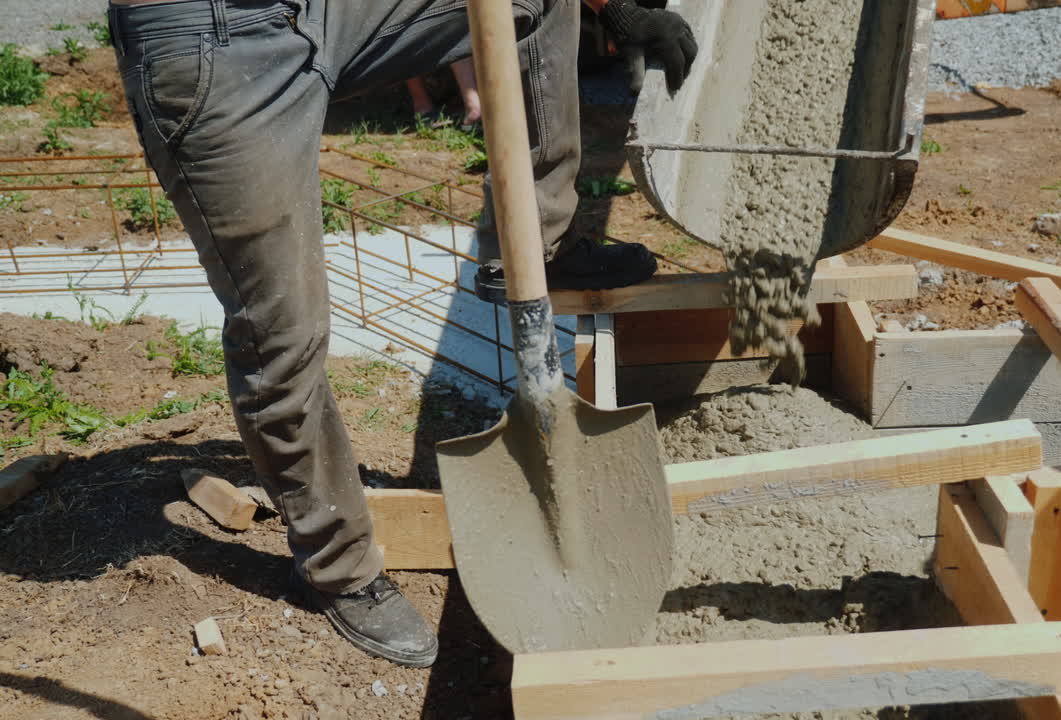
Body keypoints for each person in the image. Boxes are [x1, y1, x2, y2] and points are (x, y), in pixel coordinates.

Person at [104, 0, 696, 668]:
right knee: (281, 336)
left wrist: (611, 9)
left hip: (308, 10)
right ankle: (338, 565)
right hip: (210, 50)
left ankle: (539, 241)